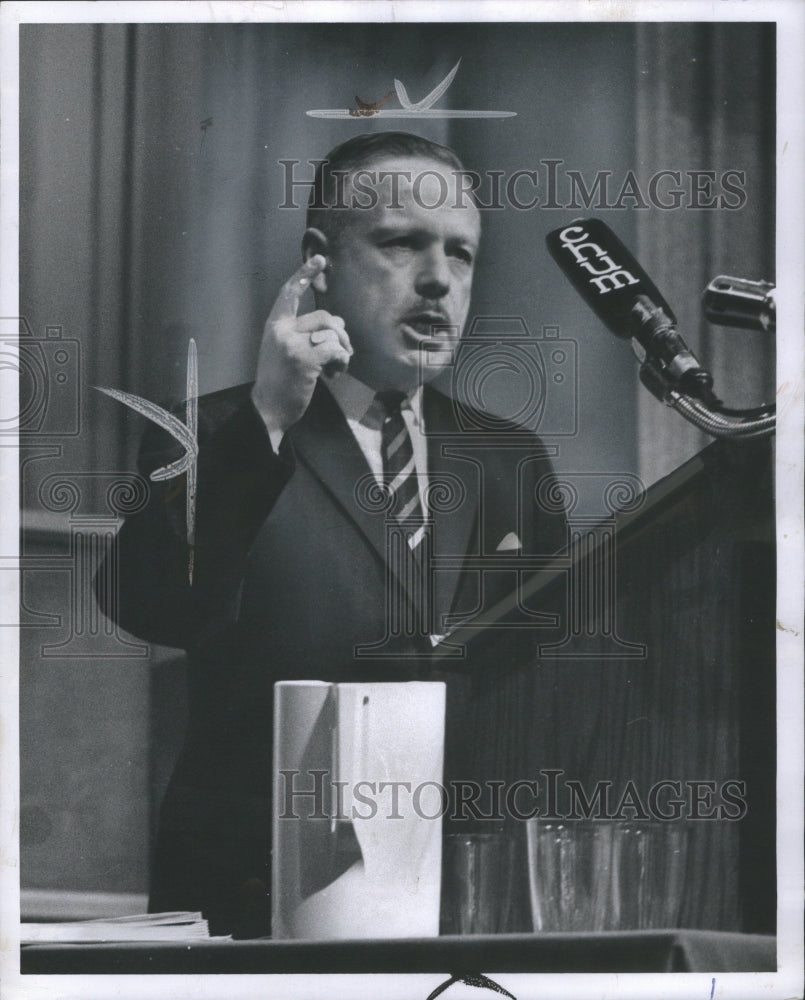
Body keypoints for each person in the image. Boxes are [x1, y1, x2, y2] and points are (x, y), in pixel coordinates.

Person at [100, 132, 566, 936]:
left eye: (461, 256)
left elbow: (564, 673)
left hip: (467, 897)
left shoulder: (508, 457)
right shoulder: (211, 433)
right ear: (318, 262)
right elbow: (153, 605)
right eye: (401, 244)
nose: (437, 281)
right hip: (261, 904)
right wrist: (270, 421)